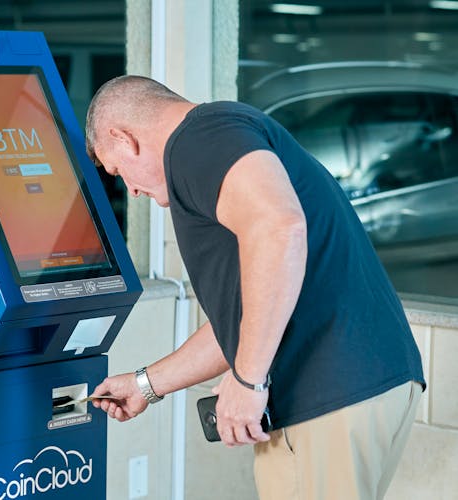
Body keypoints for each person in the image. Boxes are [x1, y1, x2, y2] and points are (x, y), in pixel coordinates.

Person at [86, 75, 425, 500]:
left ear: (123, 137)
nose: (131, 190)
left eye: (118, 172)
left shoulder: (199, 139)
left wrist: (247, 381)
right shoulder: (224, 133)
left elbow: (280, 228)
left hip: (327, 393)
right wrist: (144, 385)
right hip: (361, 385)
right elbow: (248, 317)